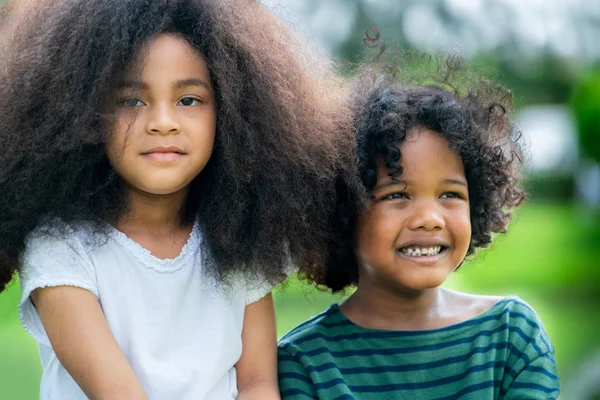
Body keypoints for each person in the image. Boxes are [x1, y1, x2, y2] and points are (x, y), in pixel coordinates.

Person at [0, 0, 359, 398]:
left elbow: (257, 382)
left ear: (233, 115)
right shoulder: (60, 250)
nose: (163, 122)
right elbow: (118, 394)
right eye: (132, 100)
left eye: (188, 100)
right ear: (83, 113)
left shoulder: (240, 243)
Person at [278, 58, 561, 399]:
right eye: (397, 194)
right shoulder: (305, 362)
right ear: (343, 210)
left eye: (450, 194)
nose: (430, 218)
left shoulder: (510, 337)